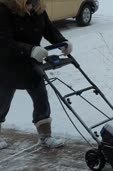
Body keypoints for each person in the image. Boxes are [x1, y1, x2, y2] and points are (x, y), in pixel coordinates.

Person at [0, 0, 73, 149]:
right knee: (2, 103)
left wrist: (63, 42)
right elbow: (3, 41)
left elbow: (49, 29)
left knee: (41, 99)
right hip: (7, 66)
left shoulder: (37, 8)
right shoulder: (4, 8)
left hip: (31, 65)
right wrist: (30, 49)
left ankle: (45, 137)